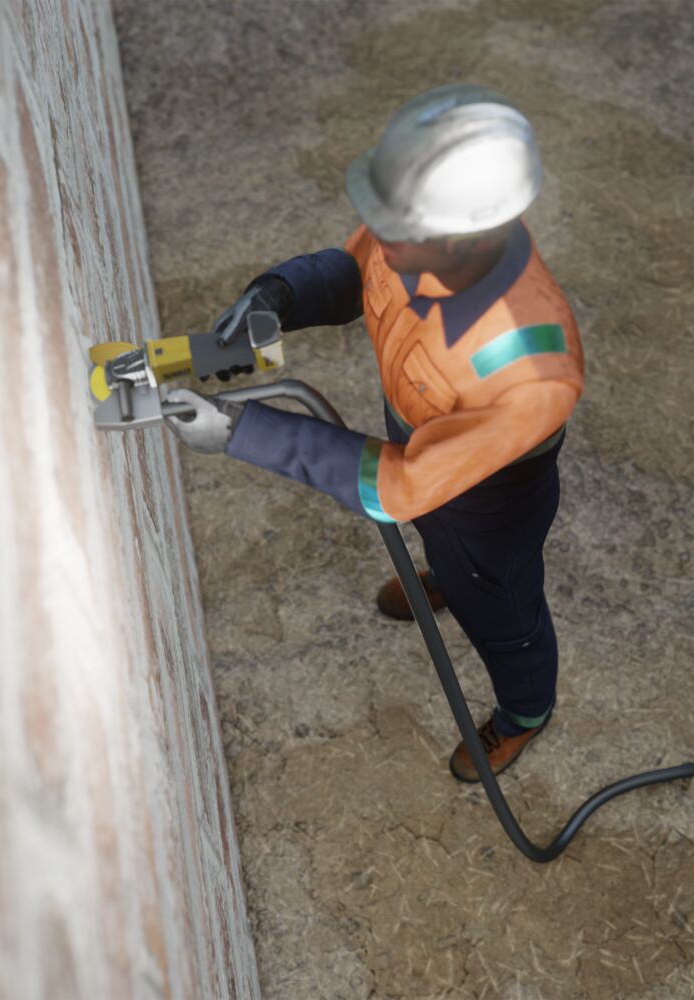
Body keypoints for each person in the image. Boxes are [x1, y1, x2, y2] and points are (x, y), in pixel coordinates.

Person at [165, 83, 585, 782]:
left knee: (501, 610)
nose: (378, 234)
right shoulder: (417, 236)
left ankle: (525, 711)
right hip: (422, 442)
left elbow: (400, 485)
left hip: (489, 501)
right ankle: (445, 574)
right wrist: (279, 295)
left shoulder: (527, 369)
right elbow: (355, 272)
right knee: (439, 540)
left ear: (470, 233)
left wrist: (239, 432)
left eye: (394, 225)